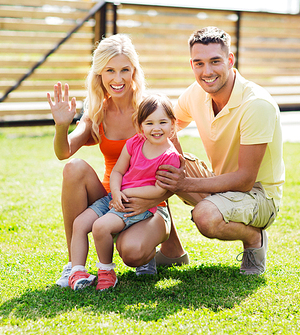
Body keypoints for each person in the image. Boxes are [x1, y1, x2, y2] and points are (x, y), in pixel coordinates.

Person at [47, 34, 187, 288]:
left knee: (132, 252)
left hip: (150, 202)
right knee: (73, 168)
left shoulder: (151, 111)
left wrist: (152, 198)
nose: (118, 78)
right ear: (99, 73)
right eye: (110, 70)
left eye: (125, 70)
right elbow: (63, 152)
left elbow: (178, 170)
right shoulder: (97, 112)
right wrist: (61, 126)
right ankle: (74, 267)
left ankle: (147, 250)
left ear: (134, 71)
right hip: (110, 198)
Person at [156, 26, 285, 275]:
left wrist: (184, 184)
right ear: (191, 64)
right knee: (163, 166)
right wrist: (173, 160)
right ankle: (172, 251)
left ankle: (254, 238)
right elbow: (167, 124)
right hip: (220, 184)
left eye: (215, 61)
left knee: (205, 217)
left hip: (259, 196)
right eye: (199, 63)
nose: (207, 72)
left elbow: (246, 180)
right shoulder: (196, 93)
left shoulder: (256, 104)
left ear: (230, 60)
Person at [67, 94, 180, 290]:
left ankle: (106, 272)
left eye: (163, 122)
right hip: (116, 196)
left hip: (138, 204)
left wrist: (129, 193)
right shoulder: (134, 143)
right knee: (80, 223)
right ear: (140, 126)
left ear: (172, 125)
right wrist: (117, 192)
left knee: (101, 227)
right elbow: (118, 171)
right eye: (149, 123)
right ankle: (77, 272)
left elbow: (160, 189)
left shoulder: (170, 156)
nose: (156, 128)